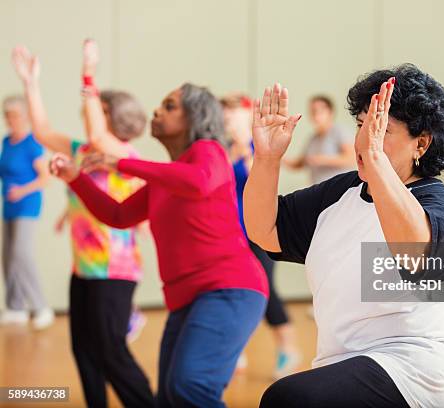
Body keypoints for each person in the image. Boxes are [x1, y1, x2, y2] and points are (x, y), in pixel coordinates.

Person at [247, 64, 444, 408]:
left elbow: (419, 258)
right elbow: (265, 231)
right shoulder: (340, 193)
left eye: (381, 130)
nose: (363, 140)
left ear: (420, 143)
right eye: (362, 125)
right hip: (343, 365)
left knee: (286, 399)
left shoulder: (436, 200)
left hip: (412, 368)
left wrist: (376, 161)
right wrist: (266, 159)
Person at [50, 82, 269, 408]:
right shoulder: (166, 177)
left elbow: (198, 182)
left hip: (229, 290)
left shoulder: (208, 151)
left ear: (194, 115)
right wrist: (75, 179)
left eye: (169, 106)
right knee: (168, 397)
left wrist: (119, 163)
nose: (156, 111)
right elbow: (118, 214)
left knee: (190, 387)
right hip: (186, 300)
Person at [12, 42, 154, 407]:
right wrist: (31, 83)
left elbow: (98, 137)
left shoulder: (123, 154)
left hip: (115, 269)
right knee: (84, 351)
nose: (86, 110)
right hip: (84, 268)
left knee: (111, 352)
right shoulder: (82, 150)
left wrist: (88, 73)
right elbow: (42, 131)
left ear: (107, 113)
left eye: (95, 106)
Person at [221, 93, 301, 379]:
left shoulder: (261, 146)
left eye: (230, 114)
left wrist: (244, 149)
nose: (225, 120)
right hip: (232, 233)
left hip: (259, 230)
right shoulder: (224, 148)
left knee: (265, 289)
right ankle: (236, 352)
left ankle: (288, 349)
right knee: (234, 290)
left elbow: (258, 179)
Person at [0, 95, 52, 330]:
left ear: (25, 117)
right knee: (8, 256)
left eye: (16, 115)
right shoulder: (6, 142)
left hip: (27, 205)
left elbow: (45, 178)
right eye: (7, 115)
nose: (11, 120)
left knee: (21, 253)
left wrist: (22, 191)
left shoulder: (32, 143)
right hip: (9, 205)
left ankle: (41, 306)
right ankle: (15, 307)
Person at [284, 95, 354, 184]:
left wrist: (322, 159)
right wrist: (278, 157)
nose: (316, 115)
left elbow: (351, 159)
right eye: (313, 111)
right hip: (318, 192)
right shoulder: (312, 139)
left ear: (330, 112)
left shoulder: (340, 132)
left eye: (320, 111)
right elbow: (299, 164)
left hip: (340, 190)